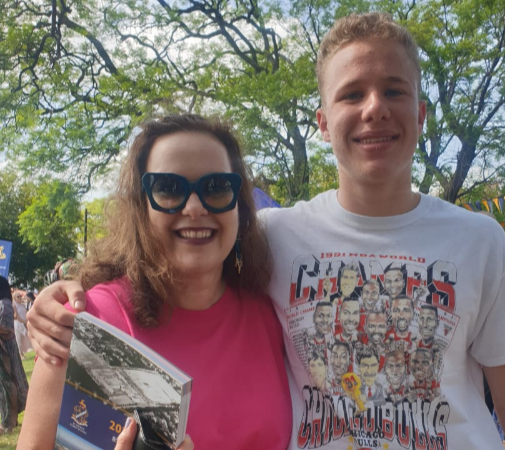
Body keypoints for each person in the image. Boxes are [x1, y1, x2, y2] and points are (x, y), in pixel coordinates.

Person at [27, 12, 505, 450]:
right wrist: (58, 299)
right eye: (352, 94)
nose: (374, 107)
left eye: (394, 91)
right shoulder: (277, 235)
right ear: (323, 122)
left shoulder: (479, 239)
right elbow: (173, 251)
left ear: (421, 113)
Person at [18, 115, 292, 449]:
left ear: (240, 205)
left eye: (217, 187)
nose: (194, 208)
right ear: (140, 206)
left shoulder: (271, 314)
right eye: (168, 188)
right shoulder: (83, 324)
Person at [0, 276, 28, 434]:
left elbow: (6, 327)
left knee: (8, 385)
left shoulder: (4, 304)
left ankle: (7, 423)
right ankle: (10, 421)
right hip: (3, 350)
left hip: (6, 352)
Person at [12, 292, 33, 357]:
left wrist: (27, 321)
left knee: (28, 336)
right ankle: (21, 354)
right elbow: (15, 316)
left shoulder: (22, 305)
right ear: (15, 298)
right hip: (18, 324)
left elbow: (26, 313)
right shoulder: (14, 305)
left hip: (25, 322)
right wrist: (23, 321)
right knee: (19, 338)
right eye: (18, 297)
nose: (20, 298)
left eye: (20, 296)